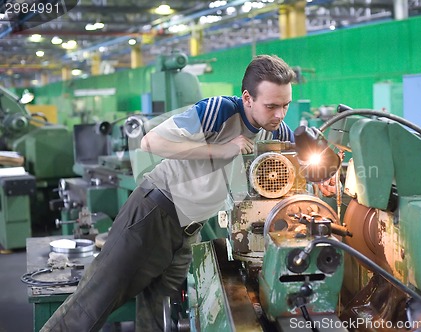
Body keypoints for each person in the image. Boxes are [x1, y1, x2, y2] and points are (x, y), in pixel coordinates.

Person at [41, 54, 297, 332]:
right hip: (154, 212)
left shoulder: (279, 135)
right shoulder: (218, 111)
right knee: (92, 304)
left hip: (188, 232)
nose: (279, 115)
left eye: (285, 105)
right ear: (248, 98)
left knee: (158, 316)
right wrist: (221, 150)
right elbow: (151, 142)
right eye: (271, 106)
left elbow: (294, 175)